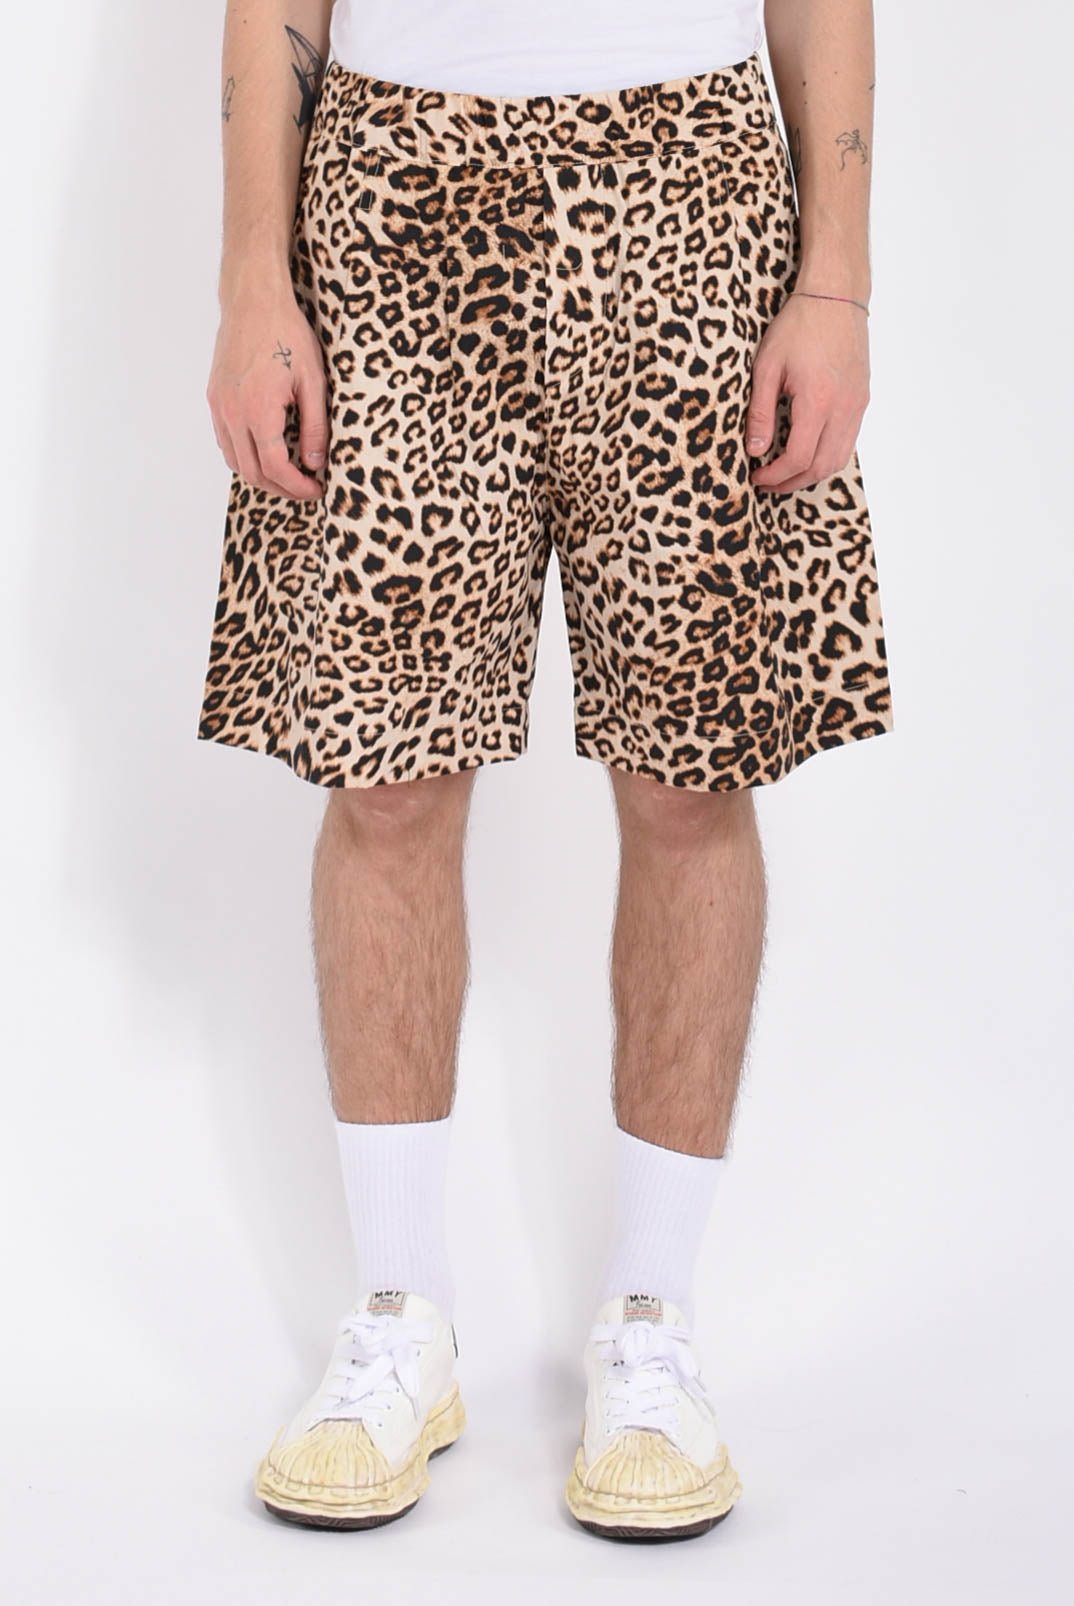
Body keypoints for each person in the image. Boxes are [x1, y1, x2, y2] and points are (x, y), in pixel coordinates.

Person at [200, 0, 893, 1540]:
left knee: (690, 769)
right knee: (382, 769)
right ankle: (399, 1319)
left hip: (691, 183)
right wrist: (253, 275)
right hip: (390, 194)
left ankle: (650, 1322)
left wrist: (833, 279)